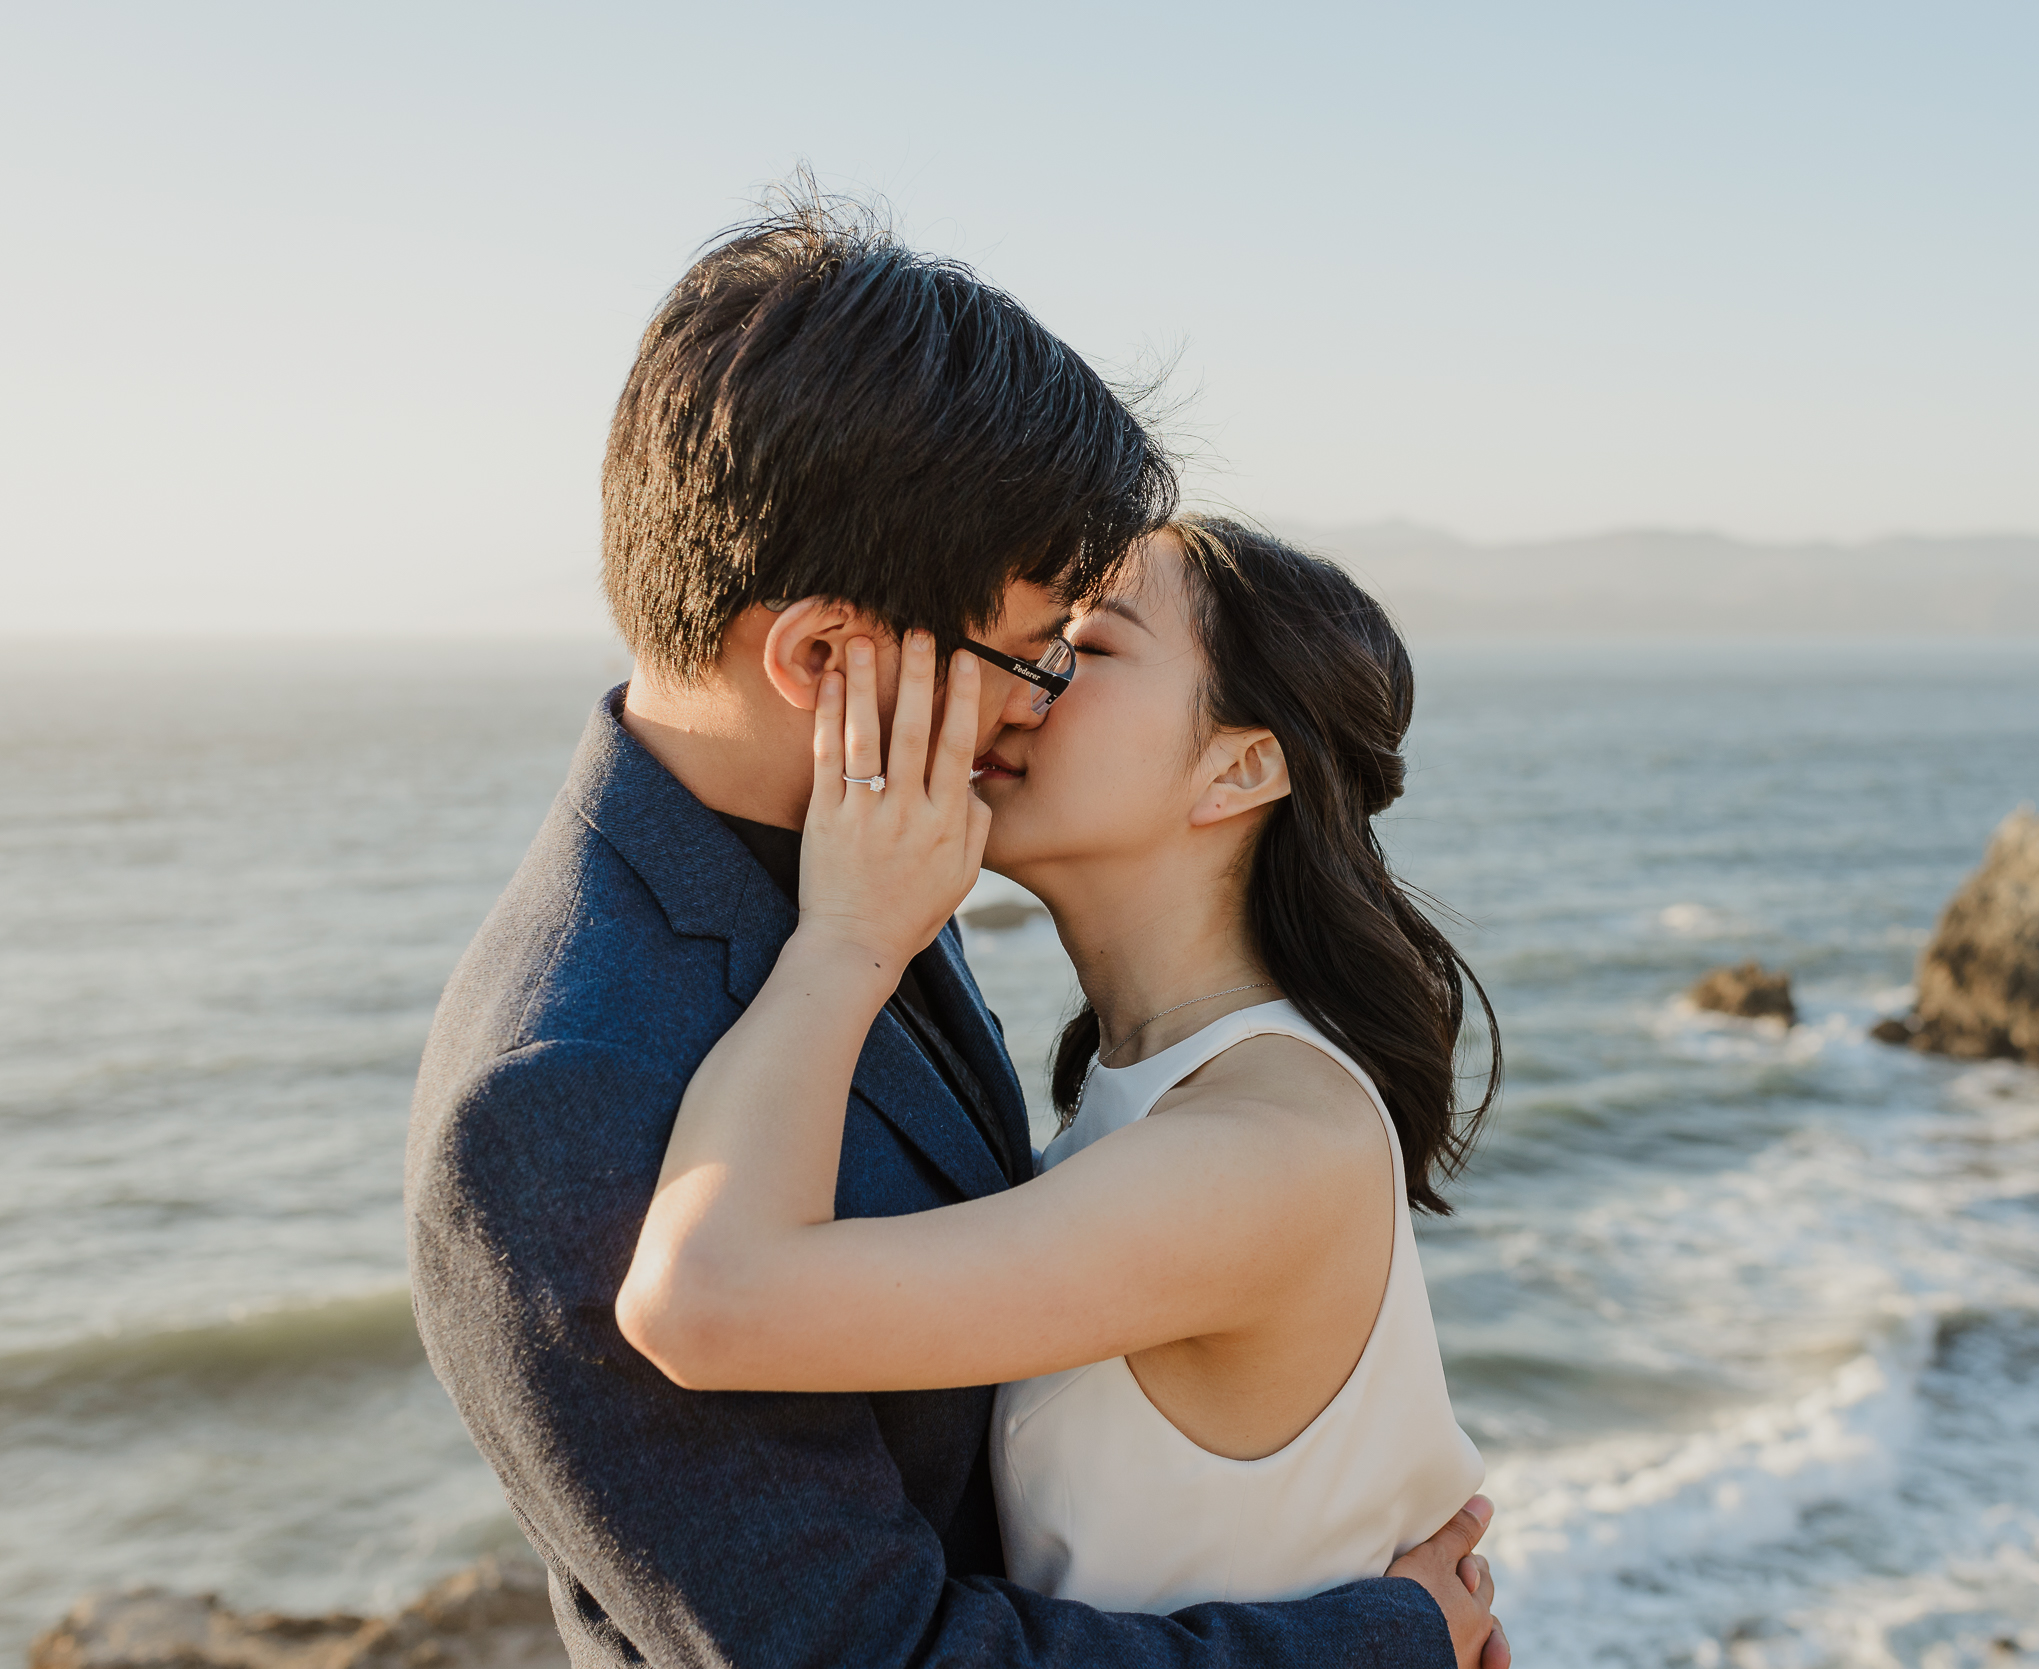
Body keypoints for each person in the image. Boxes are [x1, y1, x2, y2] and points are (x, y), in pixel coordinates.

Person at [406, 187, 1503, 1669]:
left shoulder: (873, 864)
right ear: (821, 656)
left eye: (1079, 651)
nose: (1039, 698)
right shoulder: (564, 1087)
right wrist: (1385, 1634)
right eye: (1037, 646)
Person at [618, 516, 1504, 1626]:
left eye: (1086, 649)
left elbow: (703, 1303)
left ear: (1241, 765)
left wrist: (847, 939)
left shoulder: (1262, 1151)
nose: (1024, 686)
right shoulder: (1151, 1091)